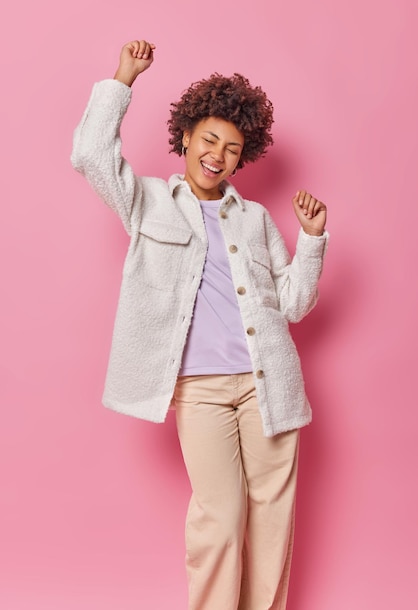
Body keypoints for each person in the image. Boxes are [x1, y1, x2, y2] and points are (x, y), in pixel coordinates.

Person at [71, 39, 328, 610]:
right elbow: (92, 154)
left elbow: (292, 304)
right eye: (209, 139)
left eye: (232, 149)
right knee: (221, 515)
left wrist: (311, 242)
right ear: (185, 137)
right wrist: (122, 80)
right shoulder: (149, 202)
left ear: (243, 158)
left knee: (272, 515)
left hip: (268, 387)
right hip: (202, 390)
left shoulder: (258, 219)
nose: (218, 155)